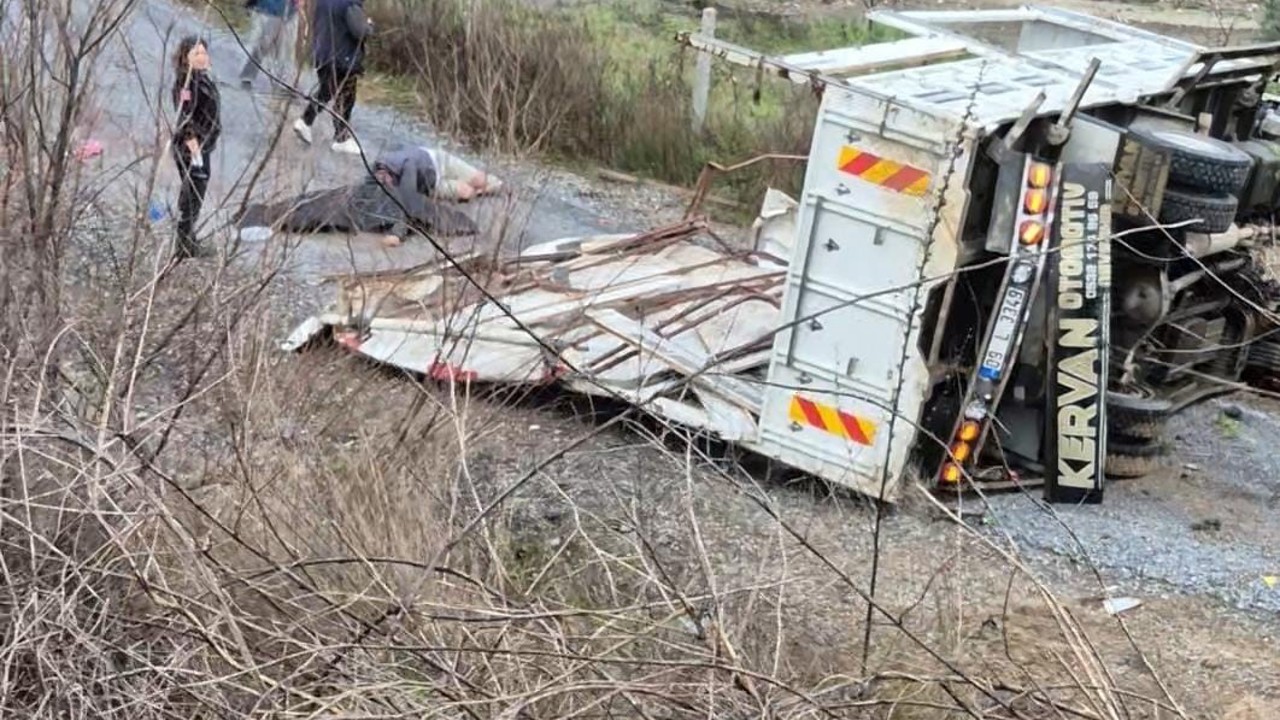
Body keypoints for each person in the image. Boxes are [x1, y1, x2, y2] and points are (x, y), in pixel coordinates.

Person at [369, 145, 505, 244]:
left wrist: (397, 234)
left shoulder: (404, 165)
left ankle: (496, 185)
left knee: (483, 181)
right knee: (466, 193)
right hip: (432, 184)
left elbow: (407, 200)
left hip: (437, 161)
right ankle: (478, 190)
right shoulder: (377, 175)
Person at [292, 0, 372, 155]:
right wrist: (369, 26)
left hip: (323, 52)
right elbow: (360, 31)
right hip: (343, 58)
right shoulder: (350, 5)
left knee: (326, 91)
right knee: (346, 97)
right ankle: (341, 139)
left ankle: (306, 121)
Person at [171, 35, 221, 259]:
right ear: (186, 57)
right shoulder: (186, 83)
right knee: (192, 193)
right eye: (196, 54)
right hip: (193, 148)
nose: (202, 57)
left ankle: (188, 238)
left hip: (205, 145)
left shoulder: (202, 78)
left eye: (204, 53)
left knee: (197, 194)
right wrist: (194, 148)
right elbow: (185, 117)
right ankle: (183, 245)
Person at [238, 0, 300, 88]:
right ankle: (247, 76)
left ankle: (285, 82)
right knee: (263, 45)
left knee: (286, 49)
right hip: (271, 11)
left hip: (289, 13)